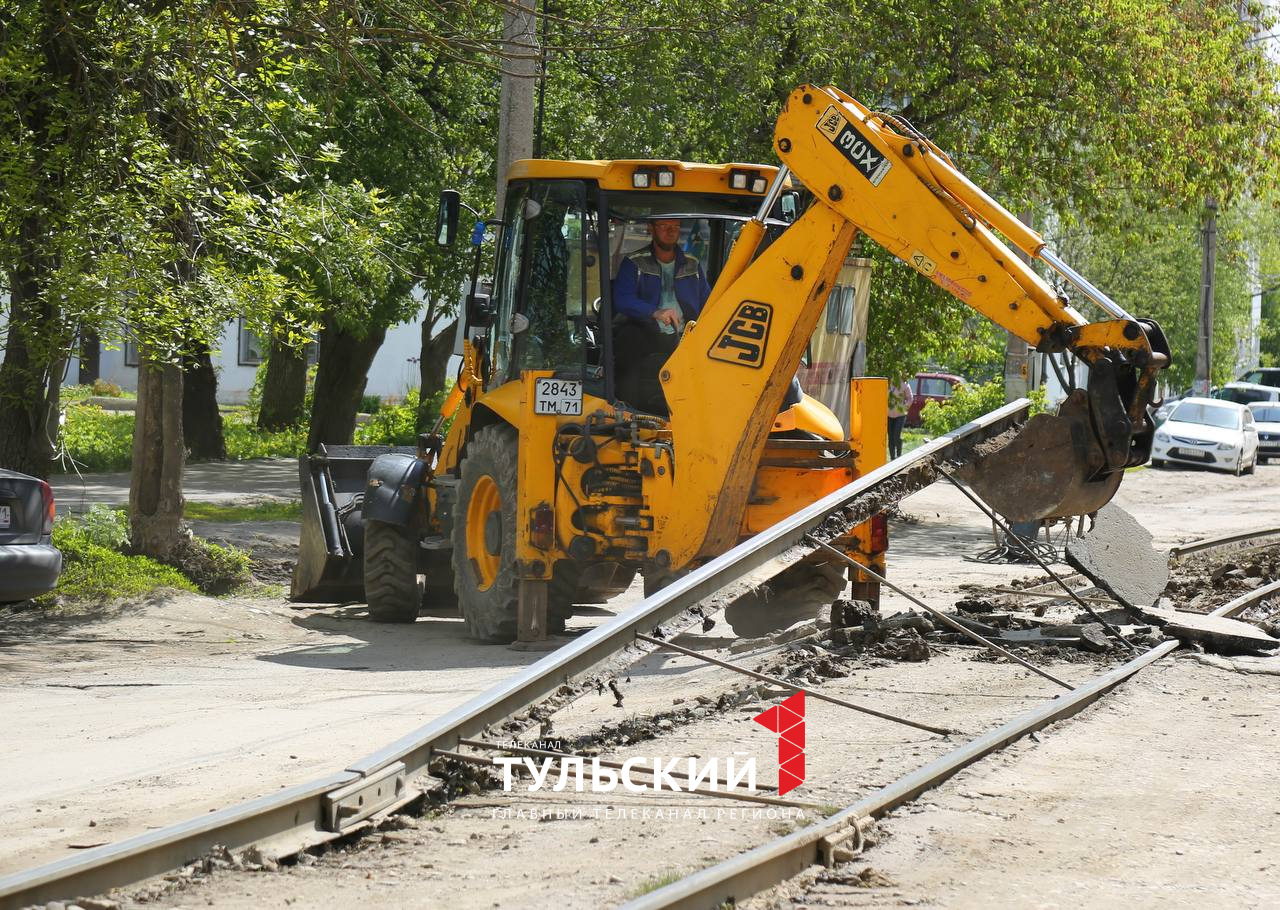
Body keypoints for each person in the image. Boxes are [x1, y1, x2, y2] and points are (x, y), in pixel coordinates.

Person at [610, 217, 712, 412]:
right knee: (627, 339)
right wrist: (654, 312)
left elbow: (707, 302)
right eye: (664, 226)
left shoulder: (692, 264)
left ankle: (694, 413)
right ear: (651, 228)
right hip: (645, 329)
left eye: (675, 226)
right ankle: (626, 408)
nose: (670, 231)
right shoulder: (634, 263)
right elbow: (622, 300)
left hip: (684, 333)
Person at [887, 375, 913, 460]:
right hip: (889, 414)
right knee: (890, 437)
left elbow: (910, 398)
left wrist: (904, 407)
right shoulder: (887, 384)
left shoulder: (904, 384)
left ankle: (899, 456)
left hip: (900, 415)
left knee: (896, 436)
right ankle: (892, 458)